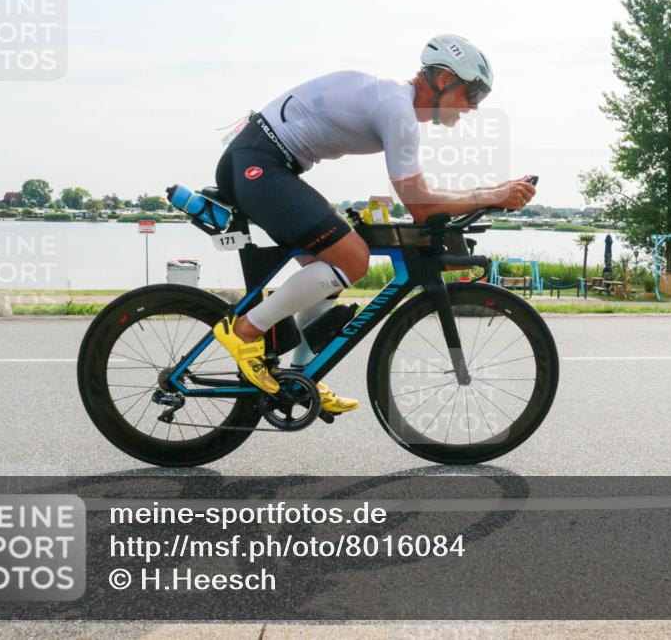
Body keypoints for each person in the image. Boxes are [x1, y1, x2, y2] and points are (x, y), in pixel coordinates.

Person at [211, 34, 536, 414]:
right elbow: (422, 206)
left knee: (326, 269)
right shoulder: (396, 109)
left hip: (267, 164)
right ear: (445, 80)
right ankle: (246, 329)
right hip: (259, 164)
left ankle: (301, 375)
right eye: (474, 94)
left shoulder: (394, 103)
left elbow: (422, 197)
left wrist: (490, 191)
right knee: (353, 259)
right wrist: (492, 195)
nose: (476, 107)